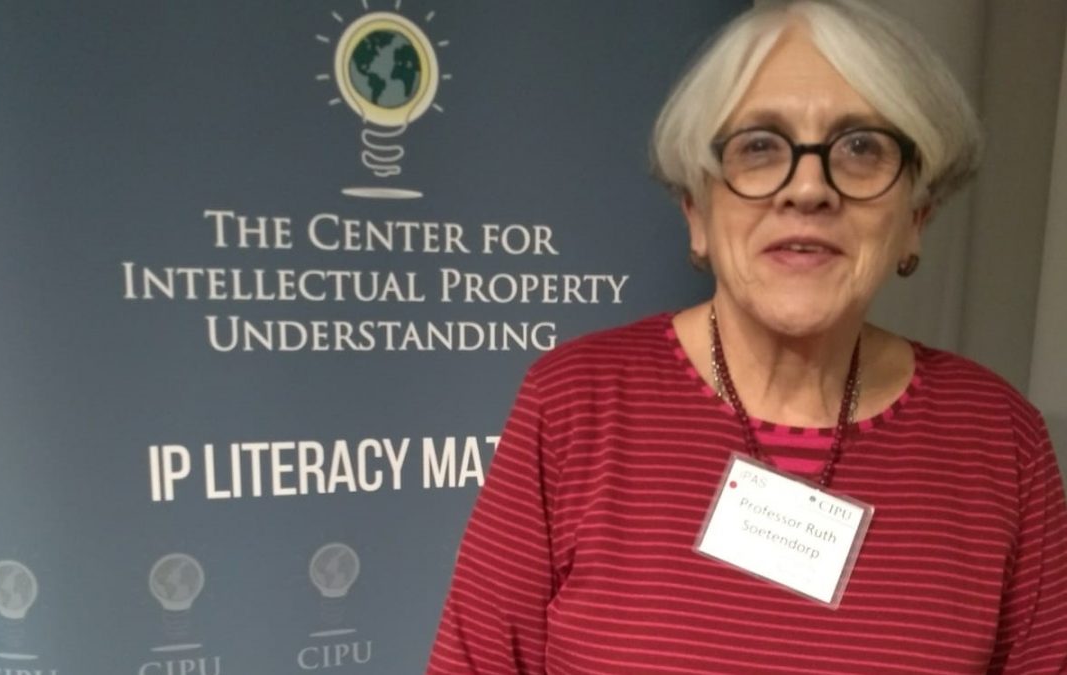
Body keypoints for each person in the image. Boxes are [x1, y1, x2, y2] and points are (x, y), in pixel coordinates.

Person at [428, 1, 1067, 672]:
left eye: (861, 148)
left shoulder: (1001, 441)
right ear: (697, 210)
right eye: (760, 146)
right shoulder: (574, 404)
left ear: (916, 217)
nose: (809, 189)